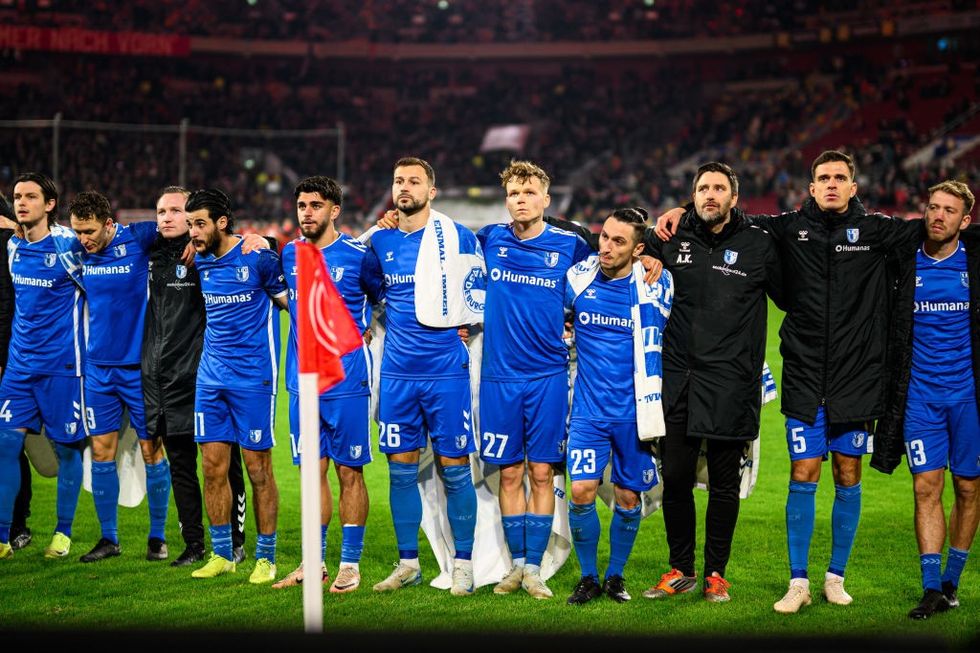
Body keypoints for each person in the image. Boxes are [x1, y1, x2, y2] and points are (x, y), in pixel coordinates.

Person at [655, 150, 922, 612]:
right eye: (824, 178)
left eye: (841, 177)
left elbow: (932, 231)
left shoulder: (875, 231)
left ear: (853, 187)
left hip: (853, 374)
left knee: (847, 473)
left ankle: (833, 577)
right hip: (795, 373)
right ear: (812, 187)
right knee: (794, 473)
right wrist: (671, 215)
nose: (832, 184)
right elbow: (724, 222)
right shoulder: (784, 229)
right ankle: (795, 582)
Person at [643, 162, 782, 602]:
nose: (709, 195)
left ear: (734, 198)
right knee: (678, 479)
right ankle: (680, 568)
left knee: (725, 486)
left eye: (719, 188)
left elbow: (794, 297)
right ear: (692, 194)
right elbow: (632, 243)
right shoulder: (673, 235)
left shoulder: (759, 243)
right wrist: (648, 251)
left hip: (732, 384)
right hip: (679, 379)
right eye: (702, 188)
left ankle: (716, 573)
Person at [476, 160, 593, 599]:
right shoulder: (488, 239)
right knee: (509, 474)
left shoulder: (571, 246)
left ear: (546, 199)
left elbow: (605, 276)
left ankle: (534, 570)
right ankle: (516, 567)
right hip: (498, 378)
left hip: (547, 376)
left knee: (542, 473)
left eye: (528, 193)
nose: (520, 200)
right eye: (513, 194)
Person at [366, 157, 479, 596]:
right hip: (397, 374)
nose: (404, 187)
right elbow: (358, 280)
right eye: (398, 181)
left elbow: (478, 294)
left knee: (455, 471)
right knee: (400, 472)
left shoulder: (458, 236)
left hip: (445, 373)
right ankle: (408, 562)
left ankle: (464, 563)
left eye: (414, 181)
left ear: (432, 191)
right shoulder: (380, 243)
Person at [872, 180, 980, 619]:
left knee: (969, 487)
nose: (938, 216)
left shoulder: (973, 262)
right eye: (933, 207)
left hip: (969, 398)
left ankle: (953, 581)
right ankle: (932, 587)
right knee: (925, 487)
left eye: (949, 211)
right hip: (920, 397)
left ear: (965, 221)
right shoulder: (904, 259)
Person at [272, 176, 382, 593]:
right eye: (301, 205)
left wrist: (367, 327)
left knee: (349, 473)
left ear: (334, 210)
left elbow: (383, 299)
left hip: (346, 383)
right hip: (303, 384)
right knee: (311, 474)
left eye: (315, 205)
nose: (306, 213)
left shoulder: (359, 256)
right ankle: (313, 562)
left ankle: (349, 565)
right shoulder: (289, 254)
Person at [563, 208, 672, 605]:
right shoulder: (578, 278)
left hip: (636, 413)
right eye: (604, 237)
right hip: (589, 411)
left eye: (618, 241)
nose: (605, 247)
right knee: (581, 491)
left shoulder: (656, 283)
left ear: (639, 248)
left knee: (629, 500)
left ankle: (615, 576)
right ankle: (588, 576)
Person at [142, 186, 250, 567]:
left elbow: (254, 245)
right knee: (182, 468)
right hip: (160, 381)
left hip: (202, 378)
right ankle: (194, 543)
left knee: (223, 464)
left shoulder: (205, 256)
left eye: (177, 211)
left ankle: (235, 540)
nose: (167, 218)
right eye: (161, 211)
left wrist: (257, 236)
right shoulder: (149, 254)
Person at [183, 188, 287, 584]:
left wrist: (269, 241)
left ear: (221, 223)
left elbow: (290, 303)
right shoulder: (200, 258)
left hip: (253, 379)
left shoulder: (256, 257)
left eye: (199, 224)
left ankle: (266, 557)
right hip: (210, 379)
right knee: (212, 468)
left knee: (259, 470)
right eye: (190, 224)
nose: (192, 231)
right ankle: (222, 553)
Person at [67, 190, 171, 563]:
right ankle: (109, 538)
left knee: (150, 450)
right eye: (78, 232)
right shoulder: (77, 251)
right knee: (101, 452)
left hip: (138, 370)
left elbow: (185, 226)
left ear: (109, 224)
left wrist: (259, 238)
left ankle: (157, 537)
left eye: (90, 231)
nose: (84, 239)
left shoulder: (139, 237)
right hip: (98, 371)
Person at [0, 172, 86, 560]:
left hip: (62, 369)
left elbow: (102, 287)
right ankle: (3, 536)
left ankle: (63, 533)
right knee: (6, 445)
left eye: (31, 197)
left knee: (68, 451)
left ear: (49, 205)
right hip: (19, 367)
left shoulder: (70, 245)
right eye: (17, 196)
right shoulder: (12, 245)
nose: (21, 202)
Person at [0, 192, 32, 552]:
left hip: (14, 359)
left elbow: (7, 302)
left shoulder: (11, 245)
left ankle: (17, 522)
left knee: (10, 443)